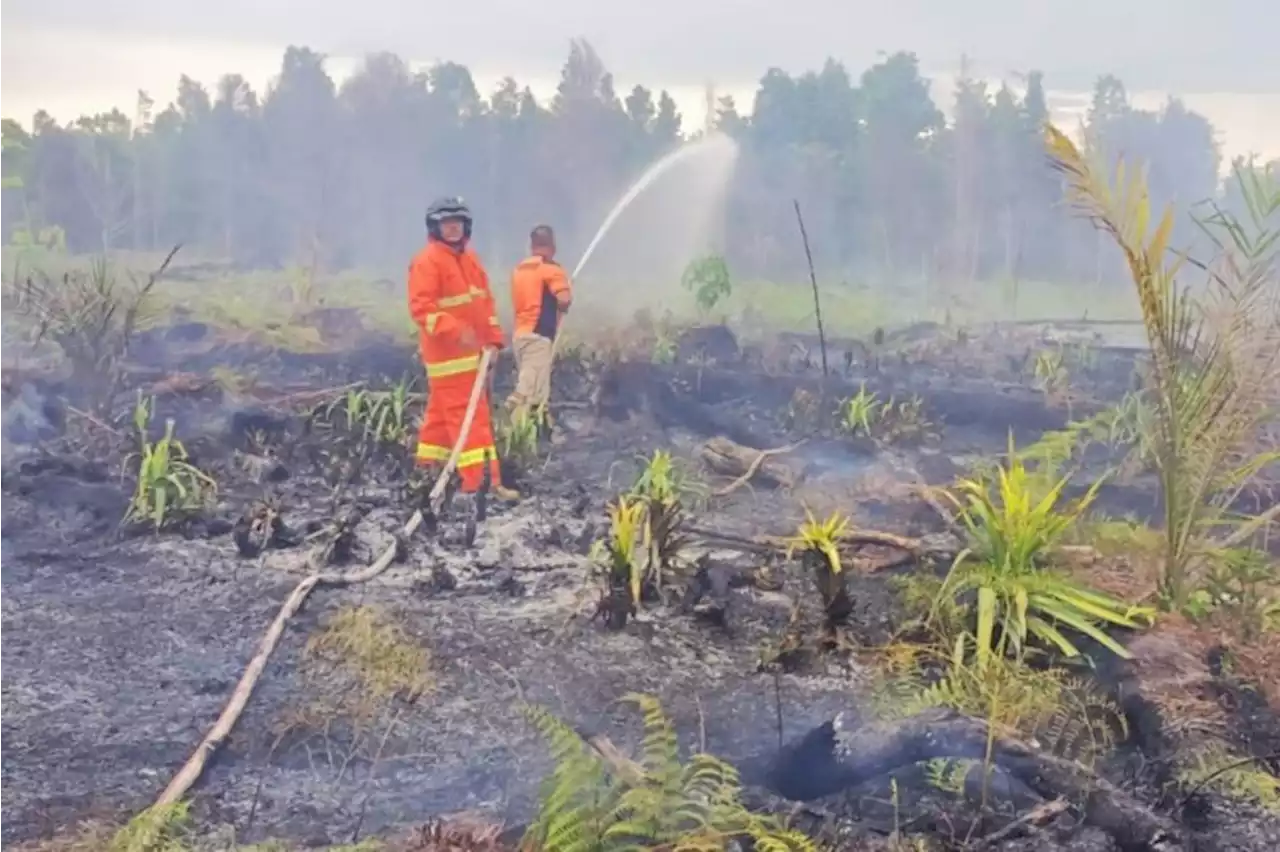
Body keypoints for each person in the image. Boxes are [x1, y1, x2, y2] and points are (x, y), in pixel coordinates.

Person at [407, 197, 519, 501]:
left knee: (441, 417)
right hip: (448, 358)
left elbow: (485, 304)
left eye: (458, 223)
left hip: (475, 355)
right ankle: (482, 484)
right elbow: (422, 310)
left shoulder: (471, 259)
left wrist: (494, 339)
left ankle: (429, 468)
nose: (453, 228)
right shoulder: (427, 261)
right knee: (472, 418)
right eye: (447, 223)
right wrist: (458, 333)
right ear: (436, 227)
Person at [507, 224, 572, 418]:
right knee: (530, 391)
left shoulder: (520, 270)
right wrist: (566, 293)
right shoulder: (551, 269)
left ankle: (533, 430)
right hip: (539, 337)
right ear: (552, 246)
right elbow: (564, 300)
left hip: (520, 336)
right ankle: (517, 424)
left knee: (537, 389)